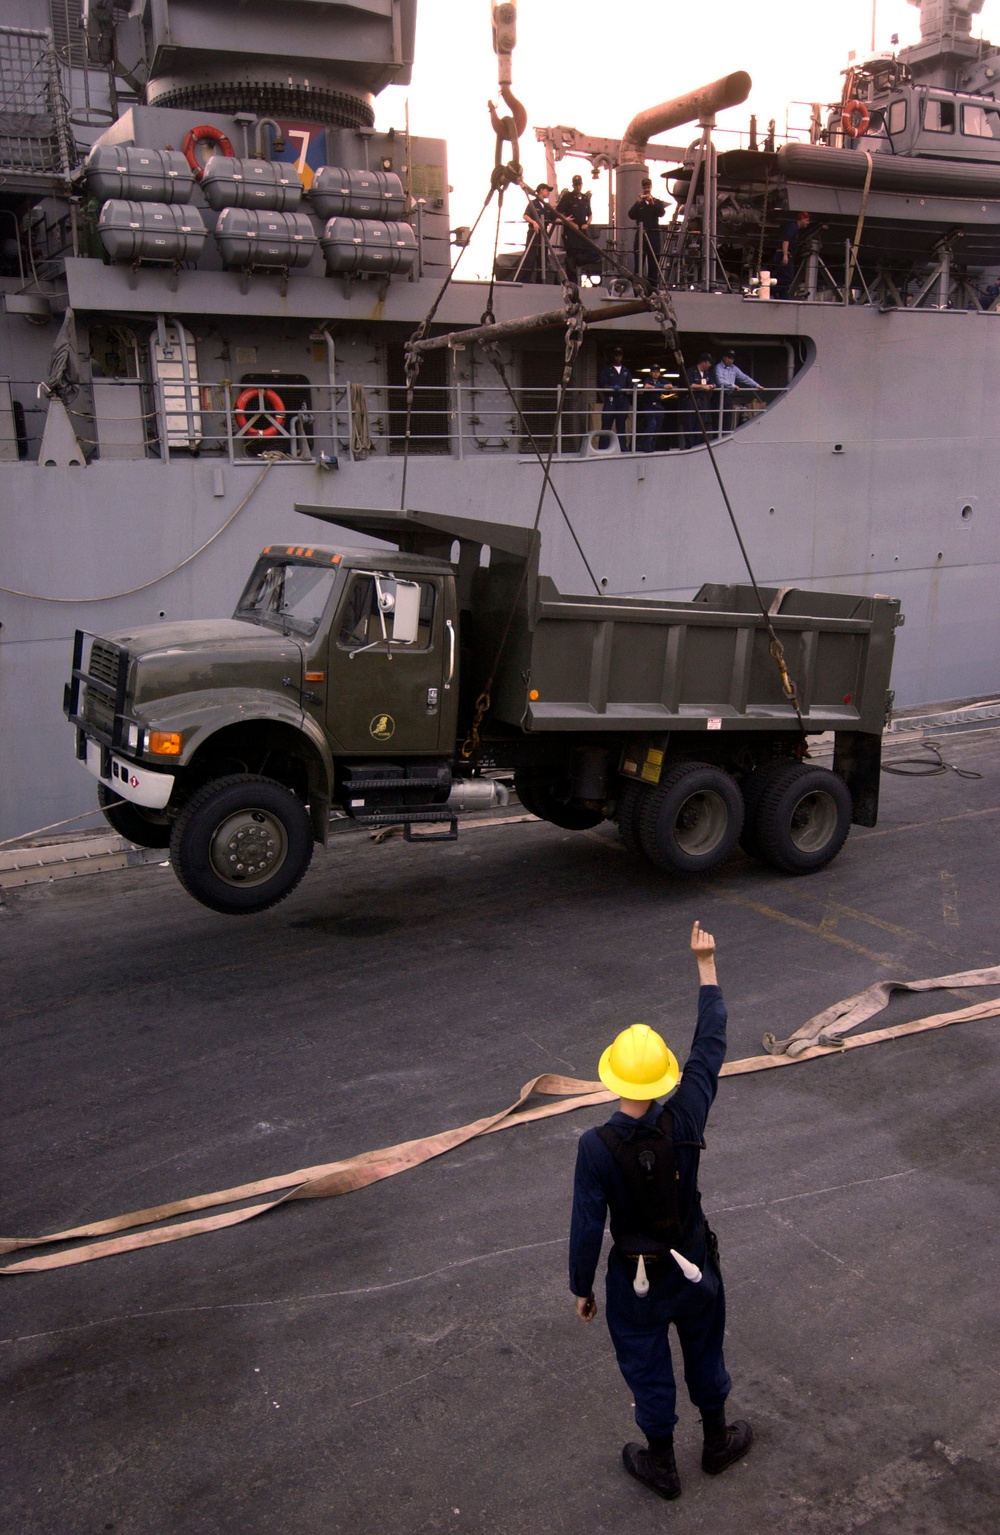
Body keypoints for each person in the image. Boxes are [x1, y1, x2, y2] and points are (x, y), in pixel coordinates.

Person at [570, 921, 752, 1502]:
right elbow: (711, 1046)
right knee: (704, 1348)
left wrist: (582, 1287)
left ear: (612, 1077)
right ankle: (718, 1441)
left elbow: (585, 1226)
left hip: (635, 1279)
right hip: (695, 1264)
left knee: (646, 1365)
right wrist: (706, 966)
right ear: (665, 1076)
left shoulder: (595, 1147)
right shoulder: (688, 1115)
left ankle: (663, 1465)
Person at [556, 174, 593, 284]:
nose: (577, 187)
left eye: (579, 185)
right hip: (571, 232)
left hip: (582, 230)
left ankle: (578, 264)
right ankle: (573, 283)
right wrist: (570, 223)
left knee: (592, 253)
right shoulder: (567, 197)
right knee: (571, 256)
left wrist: (587, 223)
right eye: (575, 185)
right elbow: (559, 212)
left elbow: (590, 214)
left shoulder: (585, 198)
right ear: (573, 185)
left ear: (581, 185)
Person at [628, 178, 667, 283]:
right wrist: (638, 203)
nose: (646, 189)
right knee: (639, 264)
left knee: (653, 264)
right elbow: (631, 215)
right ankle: (638, 287)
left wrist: (652, 202)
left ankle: (653, 288)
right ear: (642, 188)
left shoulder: (657, 202)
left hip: (653, 235)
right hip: (641, 236)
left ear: (651, 187)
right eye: (644, 187)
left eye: (648, 187)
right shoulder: (639, 204)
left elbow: (661, 213)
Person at [714, 348, 761, 433]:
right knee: (717, 421)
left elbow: (744, 378)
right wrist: (732, 385)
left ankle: (724, 438)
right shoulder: (718, 367)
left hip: (728, 396)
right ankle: (716, 439)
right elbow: (720, 381)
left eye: (732, 358)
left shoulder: (734, 368)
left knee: (727, 420)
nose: (730, 360)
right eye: (729, 358)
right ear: (724, 357)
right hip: (719, 396)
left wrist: (756, 385)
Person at [597, 346, 633, 449]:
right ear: (613, 356)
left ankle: (622, 447)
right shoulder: (607, 369)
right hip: (611, 399)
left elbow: (629, 384)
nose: (618, 357)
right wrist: (611, 388)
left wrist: (631, 387)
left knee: (621, 425)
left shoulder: (625, 370)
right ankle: (603, 447)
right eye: (616, 355)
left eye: (620, 355)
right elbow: (602, 384)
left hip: (622, 400)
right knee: (606, 424)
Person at [521, 183, 556, 283]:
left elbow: (555, 218)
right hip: (534, 233)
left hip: (544, 235)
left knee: (543, 258)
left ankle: (540, 282)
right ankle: (525, 281)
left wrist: (565, 220)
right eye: (547, 190)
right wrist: (533, 222)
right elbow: (525, 215)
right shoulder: (533, 203)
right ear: (541, 190)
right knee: (530, 258)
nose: (548, 192)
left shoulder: (547, 206)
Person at [683, 353, 718, 447]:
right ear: (704, 362)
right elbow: (689, 384)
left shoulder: (708, 373)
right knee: (690, 424)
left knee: (701, 425)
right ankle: (689, 446)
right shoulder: (691, 370)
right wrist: (703, 387)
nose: (710, 365)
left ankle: (697, 446)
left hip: (703, 401)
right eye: (709, 363)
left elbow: (714, 383)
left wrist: (711, 386)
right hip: (691, 400)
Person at [774, 210, 810, 299]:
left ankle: (783, 297)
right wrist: (785, 255)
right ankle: (771, 290)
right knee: (788, 277)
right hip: (784, 254)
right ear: (801, 219)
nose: (808, 223)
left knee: (783, 277)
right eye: (807, 220)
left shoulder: (794, 228)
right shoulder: (792, 227)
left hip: (784, 254)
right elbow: (786, 241)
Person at [638, 364, 673, 451]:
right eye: (654, 372)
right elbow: (646, 386)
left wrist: (657, 386)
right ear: (651, 373)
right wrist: (659, 387)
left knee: (658, 427)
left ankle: (652, 446)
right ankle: (647, 446)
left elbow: (670, 386)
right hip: (649, 406)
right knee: (652, 425)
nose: (656, 374)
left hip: (658, 406)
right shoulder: (648, 379)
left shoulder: (661, 380)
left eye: (657, 372)